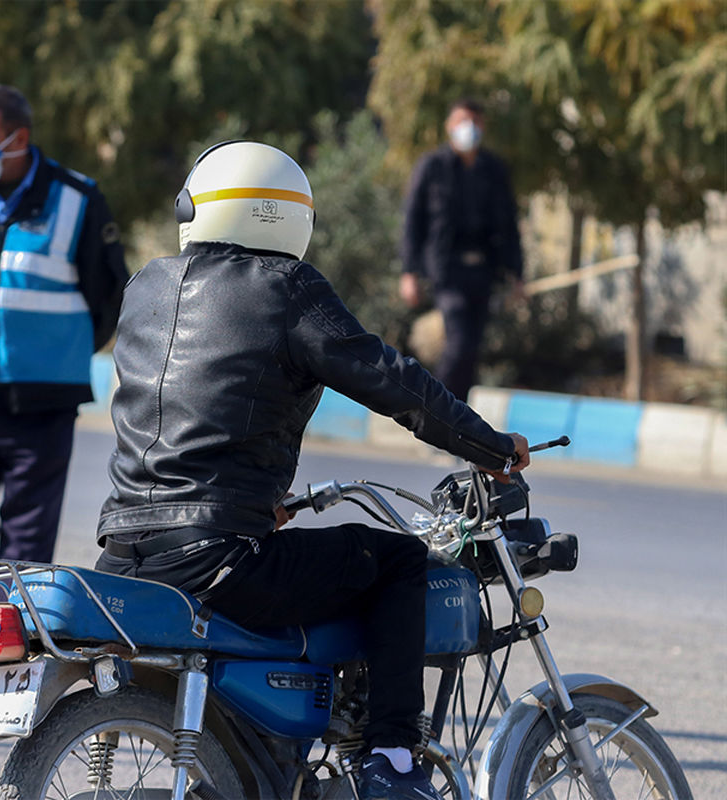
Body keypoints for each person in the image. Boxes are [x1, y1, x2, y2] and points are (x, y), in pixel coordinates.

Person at [96, 141, 530, 800]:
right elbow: (394, 383)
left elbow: (188, 411)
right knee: (398, 562)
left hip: (124, 550)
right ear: (283, 214)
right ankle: (392, 759)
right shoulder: (285, 288)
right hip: (218, 555)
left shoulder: (146, 286)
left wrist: (253, 499)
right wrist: (491, 449)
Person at [0, 84, 129, 691]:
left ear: (18, 139)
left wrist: (61, 352)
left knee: (23, 545)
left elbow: (109, 297)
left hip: (42, 403)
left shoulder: (77, 200)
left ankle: (8, 664)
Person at [400, 98, 524, 401]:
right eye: (461, 121)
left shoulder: (494, 170)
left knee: (471, 352)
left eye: (475, 122)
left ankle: (459, 426)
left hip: (483, 271)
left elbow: (509, 225)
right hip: (446, 272)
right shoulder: (432, 166)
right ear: (449, 126)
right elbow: (412, 220)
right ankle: (432, 412)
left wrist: (517, 274)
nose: (468, 128)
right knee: (459, 343)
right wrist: (409, 272)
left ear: (483, 126)